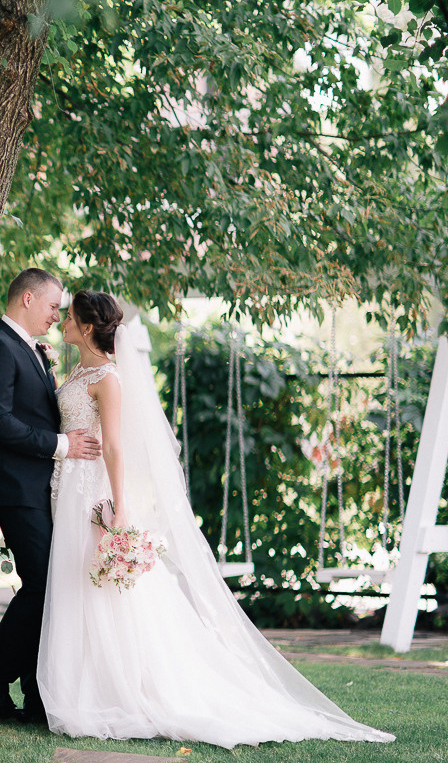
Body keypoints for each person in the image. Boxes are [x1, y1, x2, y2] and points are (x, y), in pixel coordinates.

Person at [36, 289, 395, 747]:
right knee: (75, 583)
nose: (62, 323)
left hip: (91, 492)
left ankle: (110, 692)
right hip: (67, 487)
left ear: (87, 327)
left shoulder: (108, 376)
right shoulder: (77, 368)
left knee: (100, 589)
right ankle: (82, 686)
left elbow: (115, 445)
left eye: (68, 318)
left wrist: (121, 506)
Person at [0, 269, 100, 722]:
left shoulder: (30, 350)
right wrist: (62, 446)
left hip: (36, 486)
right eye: (52, 306)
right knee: (45, 584)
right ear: (27, 298)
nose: (55, 316)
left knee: (48, 585)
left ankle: (36, 692)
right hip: (13, 487)